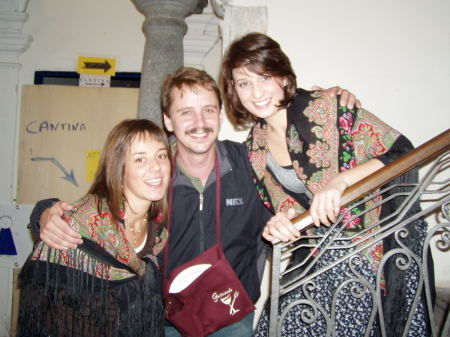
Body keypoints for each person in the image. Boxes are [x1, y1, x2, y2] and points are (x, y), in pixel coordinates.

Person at [28, 68, 359, 336]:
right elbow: (102, 211)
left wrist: (318, 104)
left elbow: (302, 179)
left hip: (232, 319)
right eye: (186, 112)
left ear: (219, 115)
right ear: (169, 121)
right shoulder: (153, 175)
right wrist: (45, 212)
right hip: (163, 321)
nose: (199, 123)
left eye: (208, 110)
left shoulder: (251, 164)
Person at [221, 32, 430, 336]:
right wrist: (278, 222)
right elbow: (286, 207)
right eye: (243, 83)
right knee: (276, 321)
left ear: (282, 76)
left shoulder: (329, 106)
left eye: (264, 77)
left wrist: (340, 182)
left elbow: (401, 150)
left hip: (366, 247)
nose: (255, 92)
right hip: (315, 253)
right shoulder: (255, 146)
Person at [18, 119, 171, 337]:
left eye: (161, 155)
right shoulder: (77, 229)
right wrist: (42, 212)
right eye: (140, 159)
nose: (156, 167)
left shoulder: (158, 233)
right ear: (118, 171)